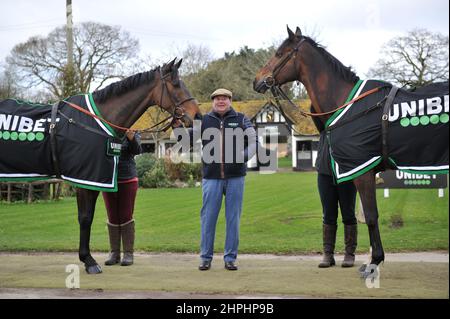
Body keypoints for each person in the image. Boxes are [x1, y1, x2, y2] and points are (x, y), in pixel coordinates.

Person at [184, 88, 257, 271]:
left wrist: (244, 155)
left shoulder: (242, 119)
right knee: (208, 219)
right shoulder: (203, 121)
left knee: (233, 219)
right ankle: (205, 258)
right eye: (217, 99)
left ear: (230, 101)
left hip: (236, 178)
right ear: (212, 102)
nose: (221, 101)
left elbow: (254, 141)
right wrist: (178, 125)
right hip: (211, 178)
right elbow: (187, 140)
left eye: (224, 98)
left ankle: (230, 258)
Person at [313, 115, 358, 268]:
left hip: (346, 173)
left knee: (348, 214)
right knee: (328, 215)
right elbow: (314, 110)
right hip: (325, 172)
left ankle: (349, 254)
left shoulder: (350, 118)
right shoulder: (323, 120)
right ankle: (328, 254)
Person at [103, 130, 142, 266]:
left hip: (128, 179)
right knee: (112, 216)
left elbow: (137, 150)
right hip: (109, 179)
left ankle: (128, 253)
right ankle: (114, 253)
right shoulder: (106, 129)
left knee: (126, 216)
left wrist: (131, 138)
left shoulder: (132, 130)